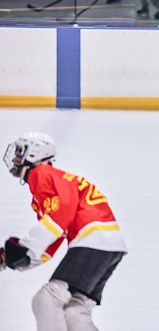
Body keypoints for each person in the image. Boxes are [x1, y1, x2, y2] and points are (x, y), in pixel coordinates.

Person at [0, 132, 127, 330]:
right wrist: (15, 259)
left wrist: (25, 247)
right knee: (75, 311)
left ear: (33, 154)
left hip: (92, 239)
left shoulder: (42, 174)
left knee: (46, 300)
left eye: (20, 152)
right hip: (107, 244)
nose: (15, 157)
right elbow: (55, 234)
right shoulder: (48, 185)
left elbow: (62, 214)